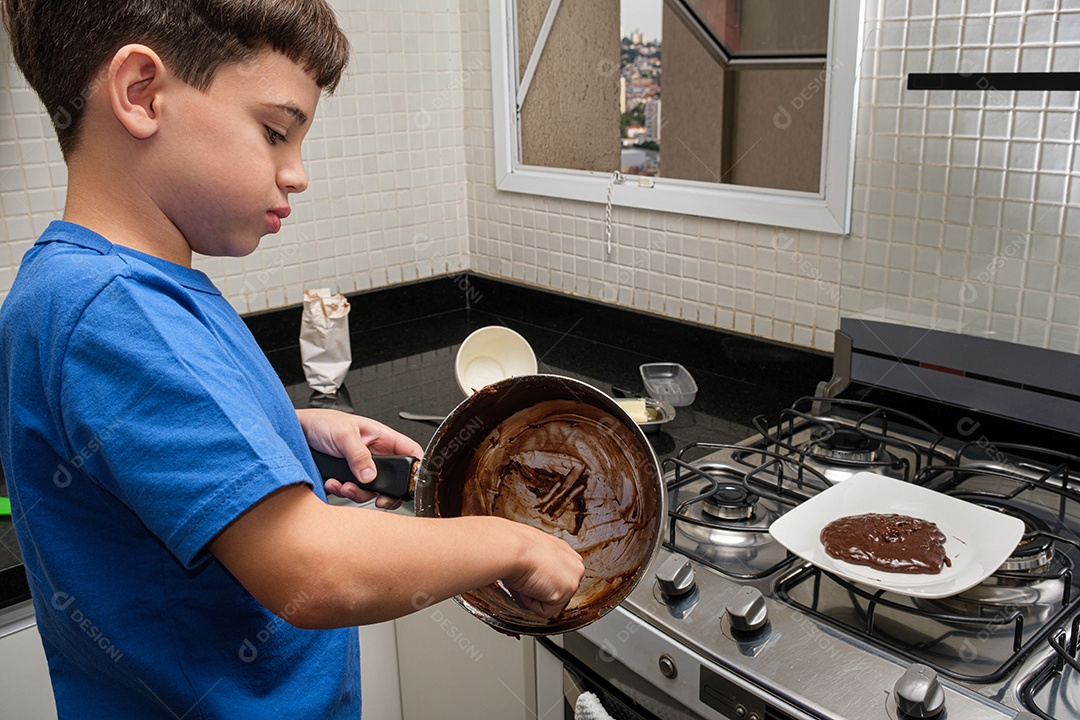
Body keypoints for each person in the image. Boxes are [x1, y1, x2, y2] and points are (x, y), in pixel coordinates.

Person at [0, 1, 585, 718]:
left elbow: (138, 452)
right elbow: (314, 573)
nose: (297, 174)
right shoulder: (117, 312)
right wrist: (514, 544)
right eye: (275, 132)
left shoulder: (79, 284)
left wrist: (282, 430)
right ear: (141, 94)